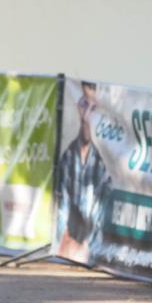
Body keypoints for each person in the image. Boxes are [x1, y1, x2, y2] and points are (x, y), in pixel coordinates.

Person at [55, 81, 110, 264]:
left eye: (93, 108)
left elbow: (101, 216)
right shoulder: (68, 157)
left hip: (88, 250)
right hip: (68, 245)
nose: (87, 115)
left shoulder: (103, 165)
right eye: (84, 105)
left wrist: (90, 247)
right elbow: (62, 205)